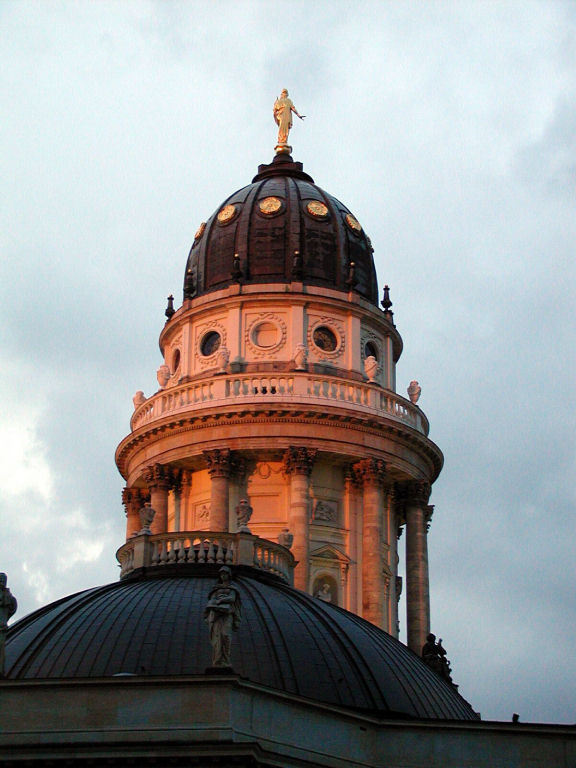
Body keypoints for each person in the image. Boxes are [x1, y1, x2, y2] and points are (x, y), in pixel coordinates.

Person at [204, 566, 242, 668]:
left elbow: (232, 598)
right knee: (217, 637)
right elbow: (212, 599)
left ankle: (225, 660)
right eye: (222, 574)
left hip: (227, 613)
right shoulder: (216, 589)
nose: (223, 576)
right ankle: (218, 660)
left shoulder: (232, 589)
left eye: (225, 574)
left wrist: (220, 600)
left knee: (226, 636)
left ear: (229, 575)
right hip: (217, 614)